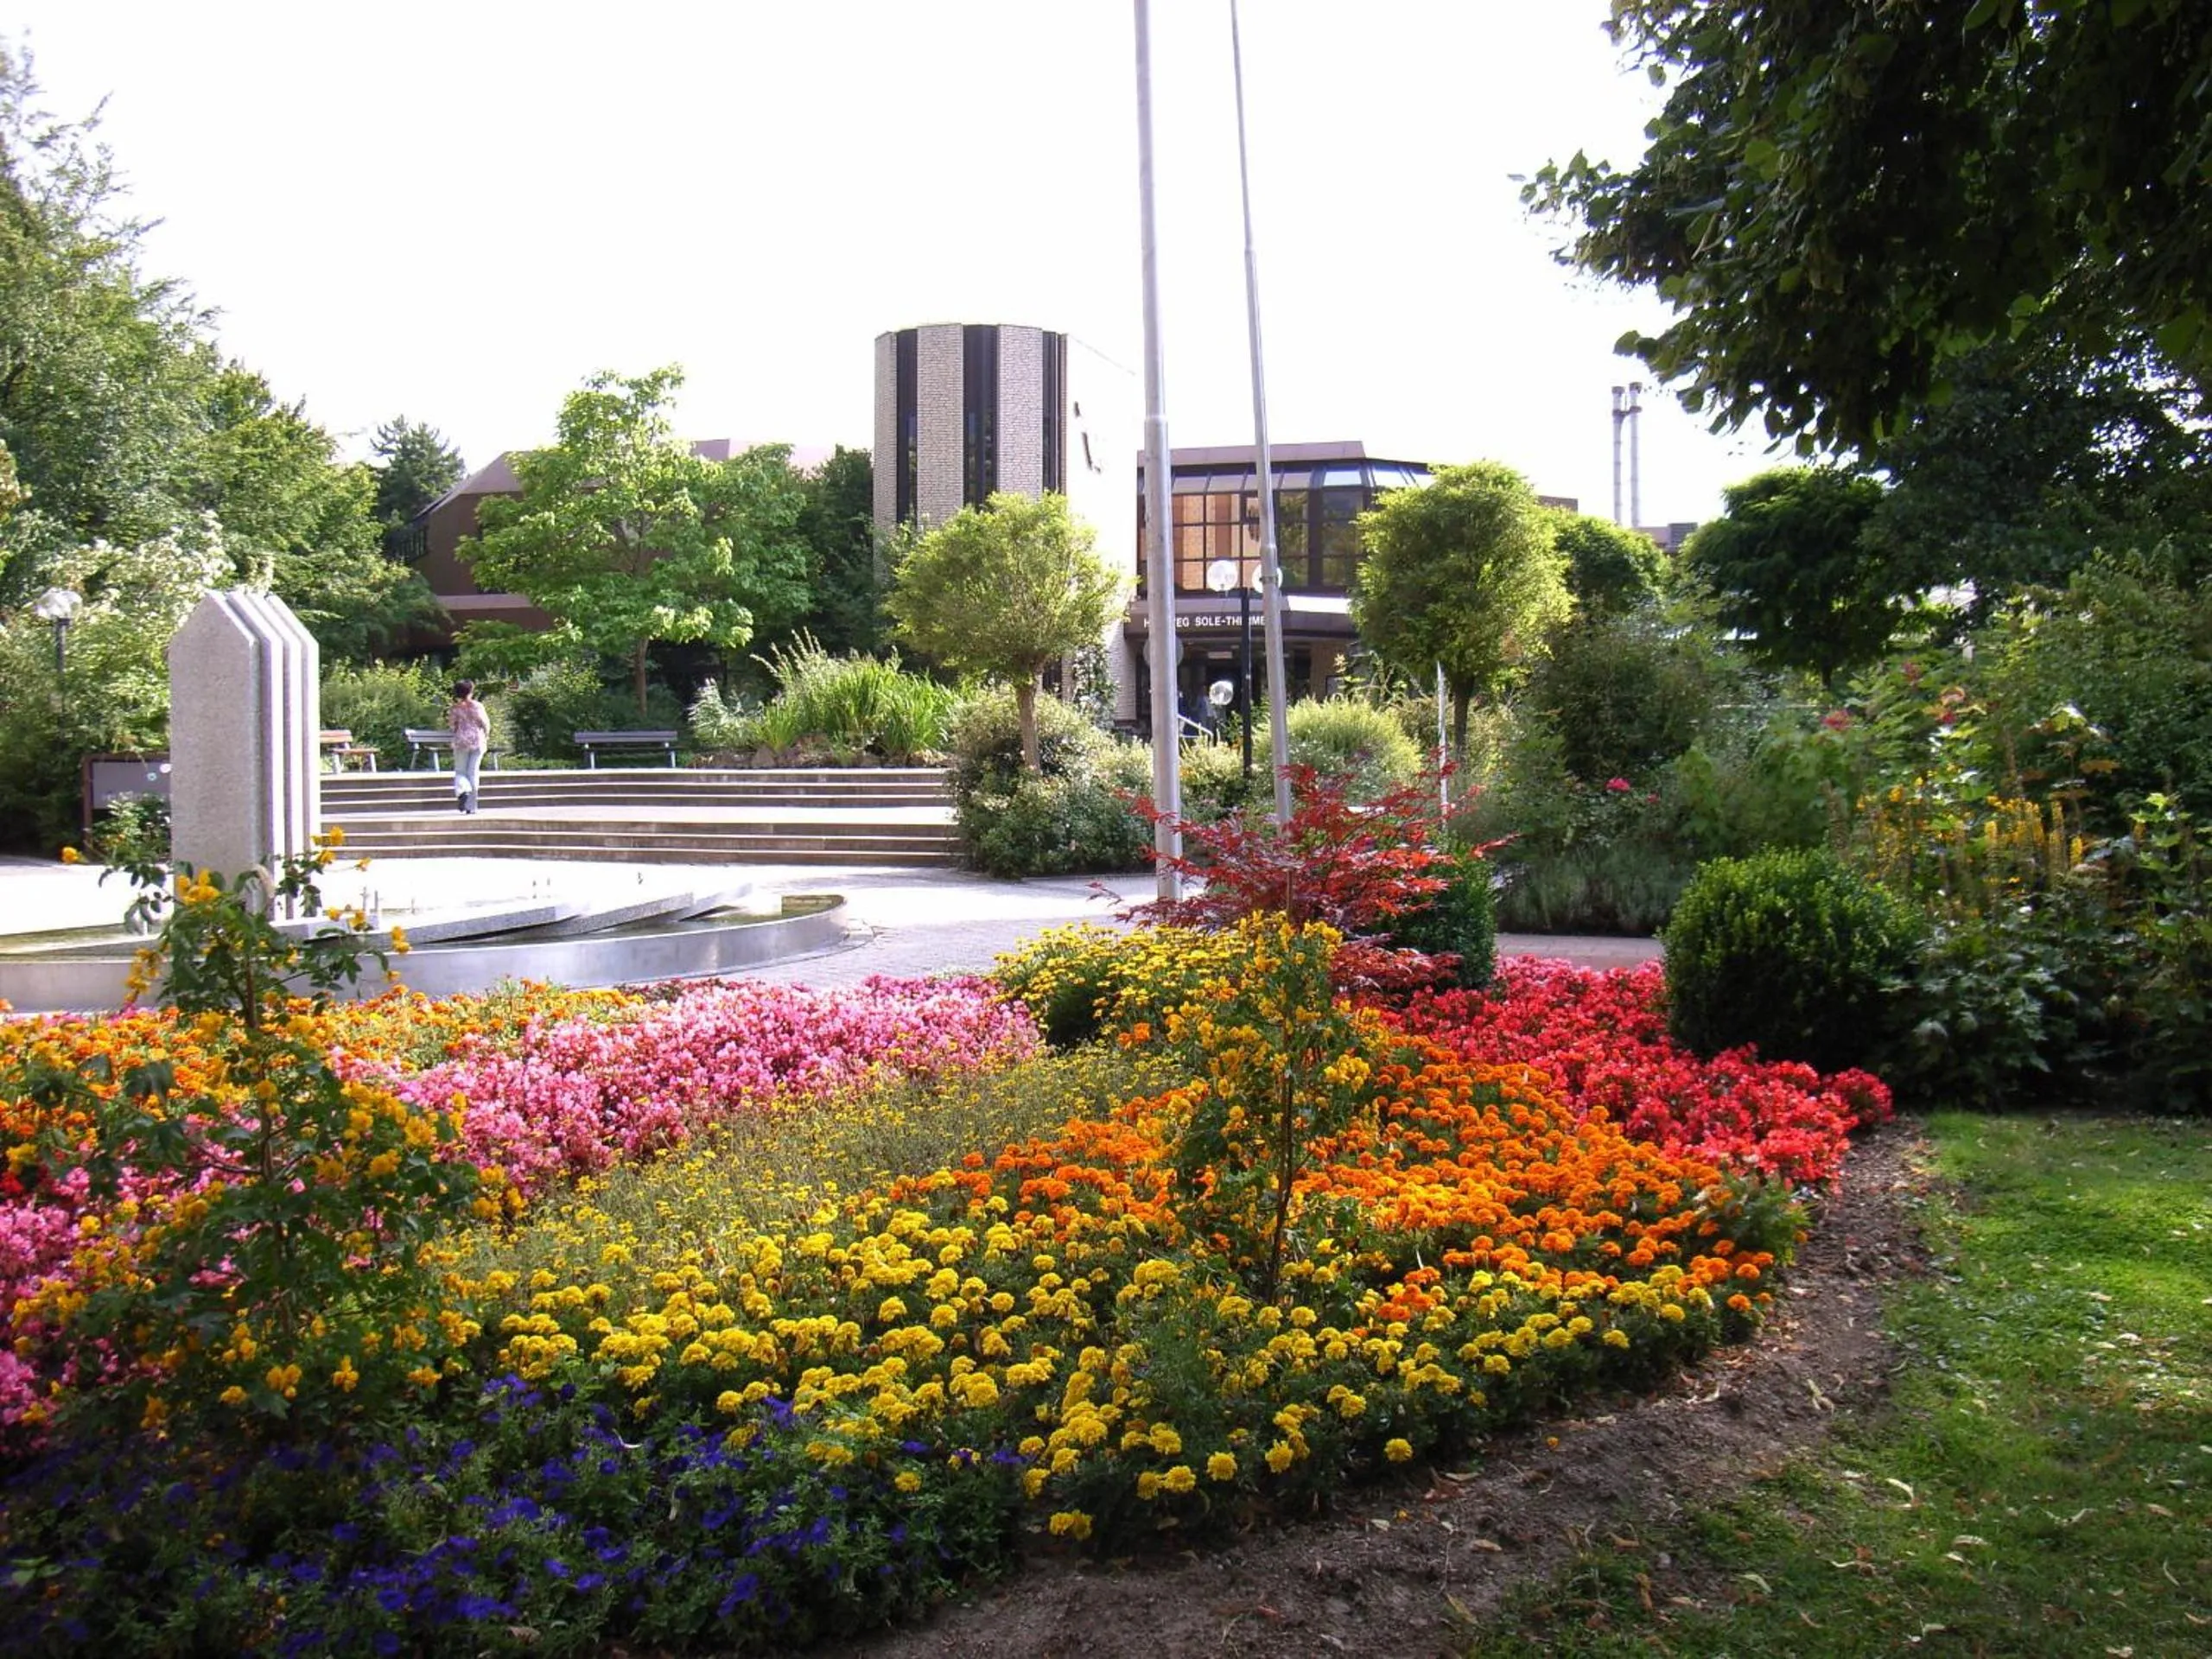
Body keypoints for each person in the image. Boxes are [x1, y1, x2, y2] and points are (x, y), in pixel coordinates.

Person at [448, 679, 491, 814]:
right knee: (473, 773)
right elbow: (485, 723)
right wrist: (486, 735)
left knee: (460, 771)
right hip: (477, 740)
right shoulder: (477, 706)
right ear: (471, 691)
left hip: (461, 741)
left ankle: (463, 791)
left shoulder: (455, 708)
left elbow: (452, 725)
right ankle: (472, 806)